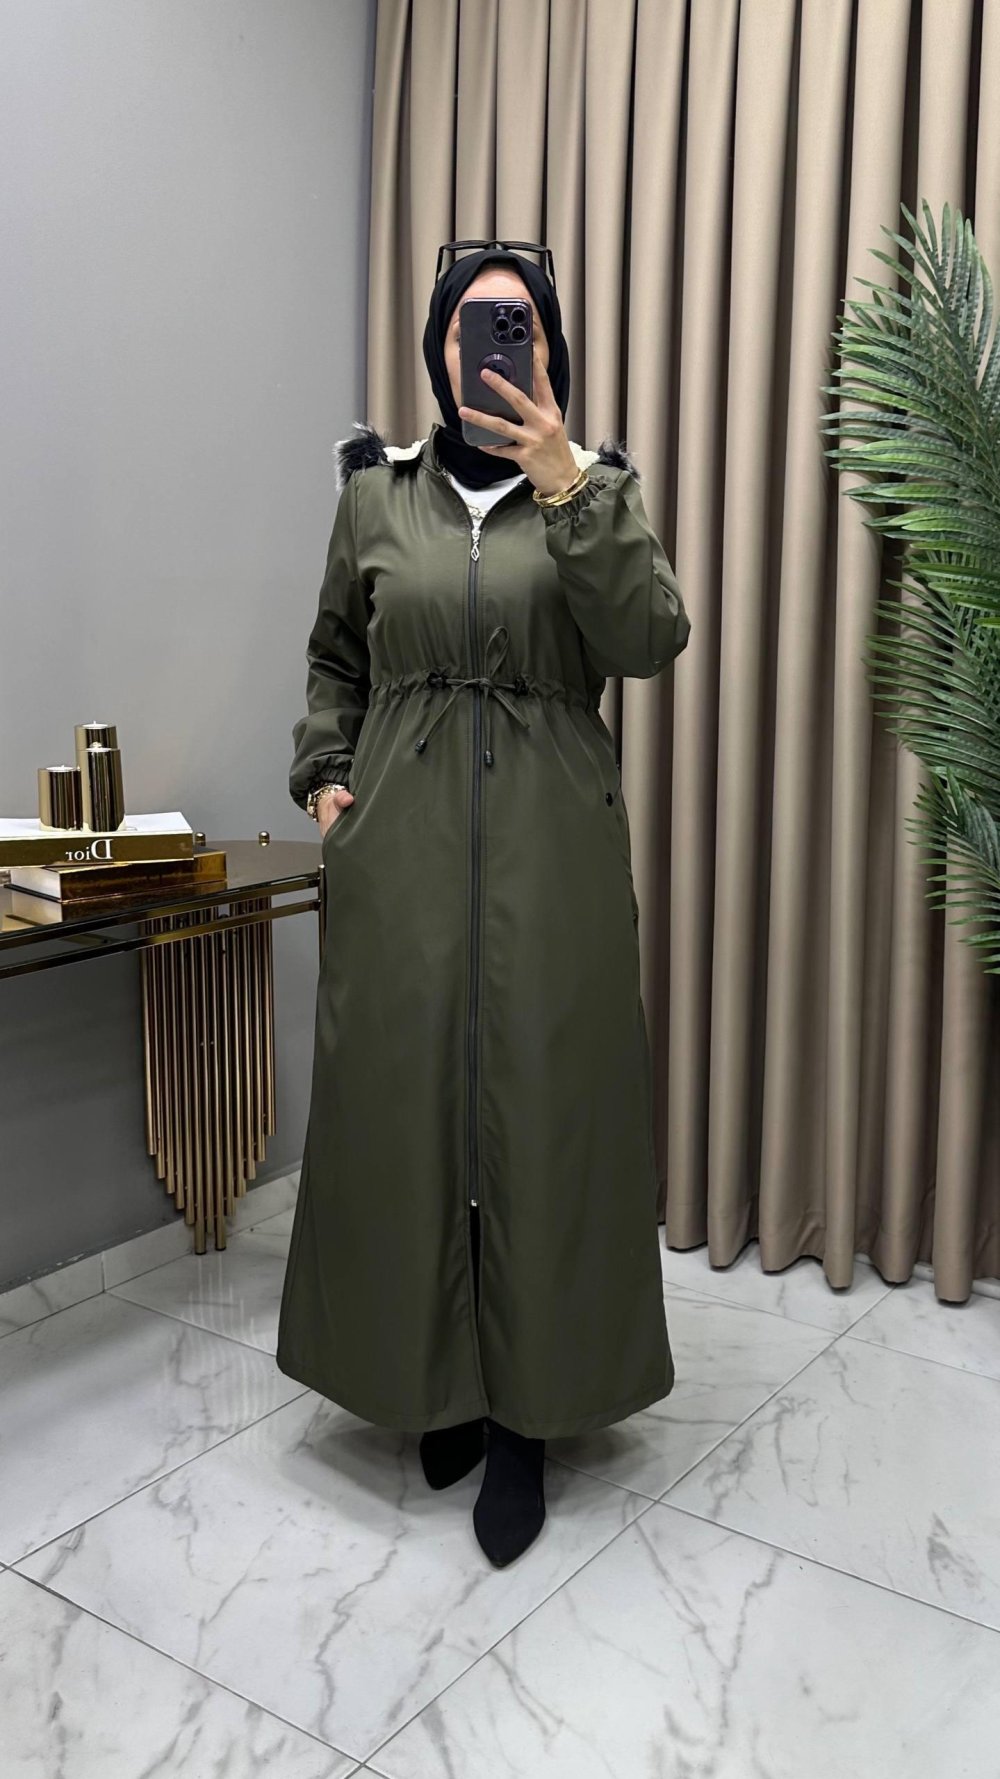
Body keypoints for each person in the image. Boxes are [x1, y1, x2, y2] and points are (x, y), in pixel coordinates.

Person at [277, 241, 691, 1567]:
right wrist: (327, 783)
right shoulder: (375, 496)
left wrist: (569, 485)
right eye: (473, 323)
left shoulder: (596, 488)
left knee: (546, 1118)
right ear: (438, 350)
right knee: (406, 1115)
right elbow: (335, 658)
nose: (495, 345)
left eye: (520, 325)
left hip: (553, 852)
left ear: (550, 353)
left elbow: (649, 639)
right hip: (398, 850)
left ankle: (529, 1416)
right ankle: (435, 1384)